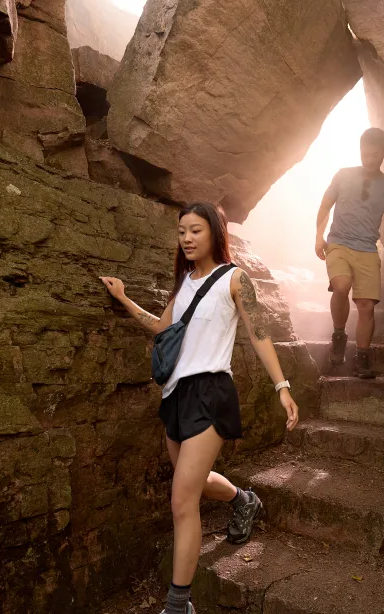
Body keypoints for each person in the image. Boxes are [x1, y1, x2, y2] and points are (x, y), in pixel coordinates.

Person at [100, 202, 299, 614]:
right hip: (175, 396)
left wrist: (282, 386)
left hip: (211, 393)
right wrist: (123, 299)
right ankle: (244, 499)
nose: (187, 239)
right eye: (181, 232)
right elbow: (161, 327)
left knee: (181, 501)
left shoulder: (235, 279)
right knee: (193, 481)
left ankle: (178, 606)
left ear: (214, 232)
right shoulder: (185, 283)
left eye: (195, 230)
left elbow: (258, 332)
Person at [314, 127, 384, 378]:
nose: (369, 160)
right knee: (341, 286)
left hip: (367, 250)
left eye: (374, 155)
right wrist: (319, 237)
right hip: (338, 243)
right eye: (365, 155)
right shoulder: (343, 175)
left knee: (366, 306)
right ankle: (339, 335)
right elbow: (324, 206)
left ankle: (362, 358)